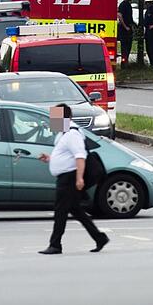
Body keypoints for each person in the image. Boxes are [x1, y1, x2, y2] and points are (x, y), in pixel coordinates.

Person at [37, 104, 109, 255]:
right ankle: (99, 238)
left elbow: (80, 156)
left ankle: (55, 244)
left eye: (55, 118)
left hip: (69, 178)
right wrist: (50, 158)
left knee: (60, 211)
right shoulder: (63, 134)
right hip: (65, 177)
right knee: (76, 210)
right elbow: (66, 156)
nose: (52, 121)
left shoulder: (72, 134)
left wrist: (79, 178)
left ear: (65, 118)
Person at [117, 0, 135, 65]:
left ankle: (126, 62)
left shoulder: (128, 5)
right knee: (124, 47)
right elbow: (120, 16)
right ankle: (124, 64)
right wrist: (126, 27)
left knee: (128, 46)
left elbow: (129, 17)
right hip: (124, 30)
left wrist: (133, 26)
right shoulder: (123, 5)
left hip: (128, 28)